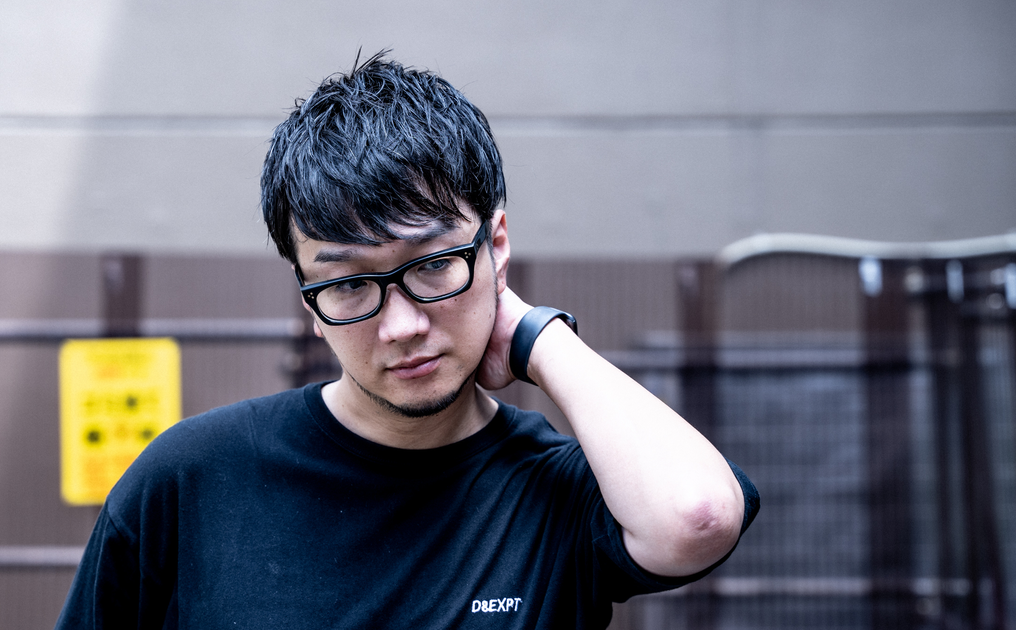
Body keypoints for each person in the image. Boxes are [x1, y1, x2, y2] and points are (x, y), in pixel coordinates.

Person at [56, 52, 758, 629]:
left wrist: (536, 336)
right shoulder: (192, 479)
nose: (401, 326)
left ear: (496, 246)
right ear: (307, 297)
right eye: (348, 285)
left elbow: (697, 517)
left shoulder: (552, 490)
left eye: (432, 265)